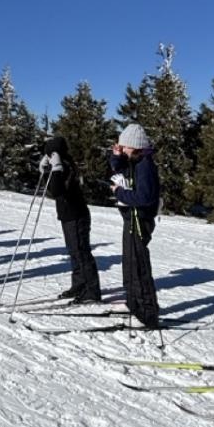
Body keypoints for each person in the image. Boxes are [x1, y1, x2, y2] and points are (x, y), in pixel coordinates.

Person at [108, 124, 160, 327]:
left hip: (141, 219)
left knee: (139, 265)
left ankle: (147, 313)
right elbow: (119, 168)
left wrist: (118, 192)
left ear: (135, 146)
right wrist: (116, 155)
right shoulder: (134, 160)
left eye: (124, 147)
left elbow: (145, 196)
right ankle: (133, 302)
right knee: (129, 262)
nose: (123, 151)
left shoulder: (144, 165)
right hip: (131, 217)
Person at [40, 135, 101, 303]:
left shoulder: (66, 165)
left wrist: (56, 168)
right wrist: (46, 171)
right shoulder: (60, 165)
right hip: (68, 216)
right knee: (74, 252)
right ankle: (80, 284)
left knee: (81, 252)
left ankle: (92, 290)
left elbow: (59, 190)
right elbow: (52, 189)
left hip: (76, 215)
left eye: (50, 153)